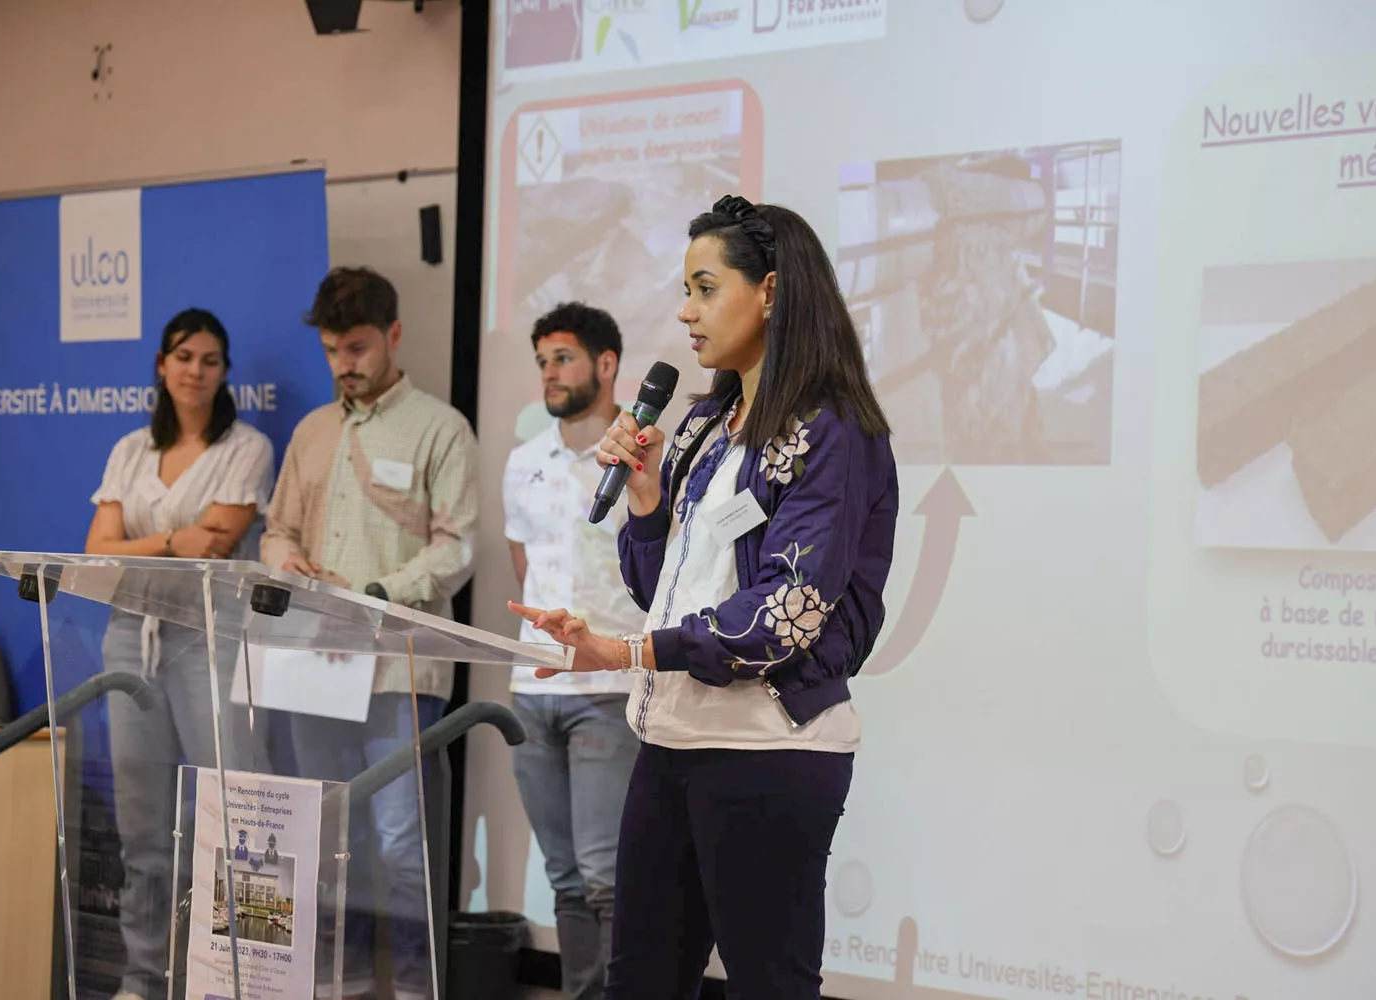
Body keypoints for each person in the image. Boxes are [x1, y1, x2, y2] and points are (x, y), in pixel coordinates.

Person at [508, 195, 899, 999]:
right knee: (641, 982)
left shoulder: (832, 429)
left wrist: (625, 651)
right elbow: (661, 590)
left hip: (771, 751)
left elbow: (785, 615)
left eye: (703, 287)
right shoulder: (704, 423)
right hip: (670, 741)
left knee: (767, 985)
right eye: (683, 290)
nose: (684, 312)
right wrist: (646, 501)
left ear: (771, 292)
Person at [260, 265, 479, 1000]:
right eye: (330, 351)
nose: (342, 365)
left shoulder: (441, 427)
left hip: (396, 665)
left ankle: (416, 989)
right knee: (326, 836)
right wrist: (288, 560)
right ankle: (338, 984)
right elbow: (276, 530)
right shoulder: (311, 431)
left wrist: (378, 596)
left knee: (398, 842)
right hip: (312, 663)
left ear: (392, 335)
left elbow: (456, 548)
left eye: (355, 347)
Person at [84, 307, 276, 1000]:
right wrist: (170, 541)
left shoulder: (245, 446)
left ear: (224, 373)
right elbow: (95, 552)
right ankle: (143, 978)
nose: (195, 370)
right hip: (128, 638)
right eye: (183, 357)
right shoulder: (130, 450)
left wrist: (149, 545)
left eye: (210, 360)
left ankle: (242, 977)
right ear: (162, 366)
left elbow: (218, 541)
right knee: (141, 830)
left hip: (210, 639)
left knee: (238, 819)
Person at [502, 302, 644, 1000]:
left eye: (562, 358)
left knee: (604, 875)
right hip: (533, 686)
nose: (549, 374)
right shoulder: (523, 461)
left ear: (606, 364)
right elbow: (520, 564)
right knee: (560, 875)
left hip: (605, 690)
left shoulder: (641, 460)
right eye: (541, 362)